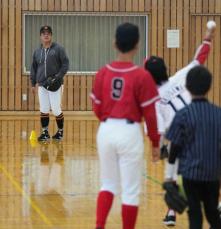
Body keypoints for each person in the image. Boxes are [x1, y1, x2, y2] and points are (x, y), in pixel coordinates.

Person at [91, 22, 160, 229]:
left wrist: (108, 120)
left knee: (108, 184)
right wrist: (155, 143)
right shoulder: (142, 76)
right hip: (130, 131)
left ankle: (99, 226)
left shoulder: (103, 72)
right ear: (137, 45)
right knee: (130, 190)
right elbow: (150, 114)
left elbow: (96, 105)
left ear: (114, 43)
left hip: (106, 129)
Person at [144, 25, 215, 226]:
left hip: (182, 136)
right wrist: (207, 38)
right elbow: (199, 59)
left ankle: (172, 213)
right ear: (165, 70)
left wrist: (158, 149)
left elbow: (155, 130)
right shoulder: (181, 76)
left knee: (175, 173)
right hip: (205, 125)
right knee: (211, 169)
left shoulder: (154, 100)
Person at [166, 65, 221, 229]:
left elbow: (174, 147)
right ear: (209, 86)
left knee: (195, 214)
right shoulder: (218, 114)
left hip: (190, 175)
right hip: (212, 175)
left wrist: (169, 177)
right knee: (212, 213)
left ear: (188, 87)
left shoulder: (182, 115)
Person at [30, 25, 69, 142]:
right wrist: (33, 83)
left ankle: (60, 132)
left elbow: (65, 64)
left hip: (55, 84)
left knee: (56, 109)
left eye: (48, 33)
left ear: (51, 35)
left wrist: (58, 77)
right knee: (44, 109)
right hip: (42, 84)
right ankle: (45, 133)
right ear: (40, 36)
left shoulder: (58, 49)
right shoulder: (37, 52)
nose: (46, 35)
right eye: (43, 33)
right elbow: (34, 68)